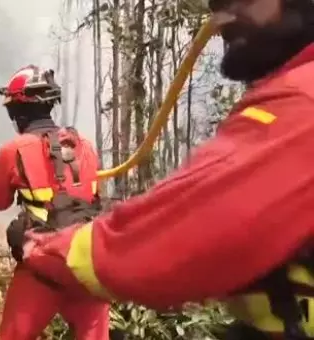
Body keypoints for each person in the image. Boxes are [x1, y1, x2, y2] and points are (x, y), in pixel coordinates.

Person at [17, 0, 314, 339]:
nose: (220, 12)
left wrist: (42, 250)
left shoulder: (300, 102)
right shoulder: (82, 145)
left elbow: (191, 234)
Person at [0, 65, 110, 340]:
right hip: (87, 263)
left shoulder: (13, 151)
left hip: (44, 266)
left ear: (17, 111)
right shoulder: (84, 146)